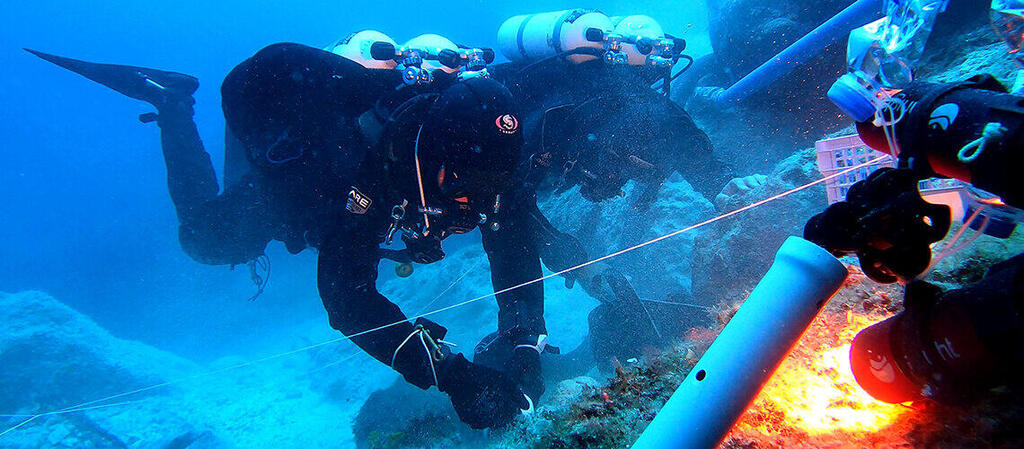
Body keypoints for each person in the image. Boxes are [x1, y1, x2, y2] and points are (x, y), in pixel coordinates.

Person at [30, 43, 549, 429]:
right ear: (427, 156)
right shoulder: (354, 174)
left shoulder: (485, 160)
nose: (474, 204)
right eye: (460, 186)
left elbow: (514, 238)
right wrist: (451, 374)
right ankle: (171, 104)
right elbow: (347, 299)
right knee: (206, 240)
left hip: (344, 148)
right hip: (297, 181)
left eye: (490, 188)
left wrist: (523, 341)